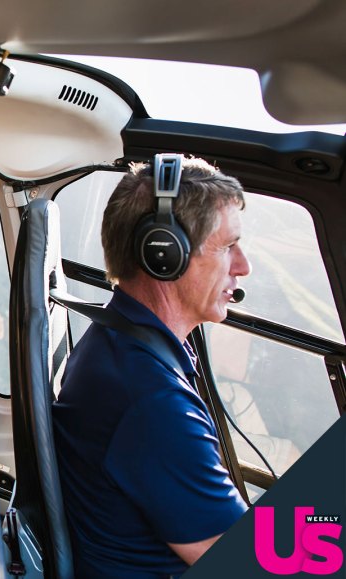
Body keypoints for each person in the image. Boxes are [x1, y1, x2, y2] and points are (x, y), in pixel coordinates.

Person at [52, 155, 251, 578]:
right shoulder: (152, 400)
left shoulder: (118, 339)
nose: (243, 267)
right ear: (164, 255)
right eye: (228, 246)